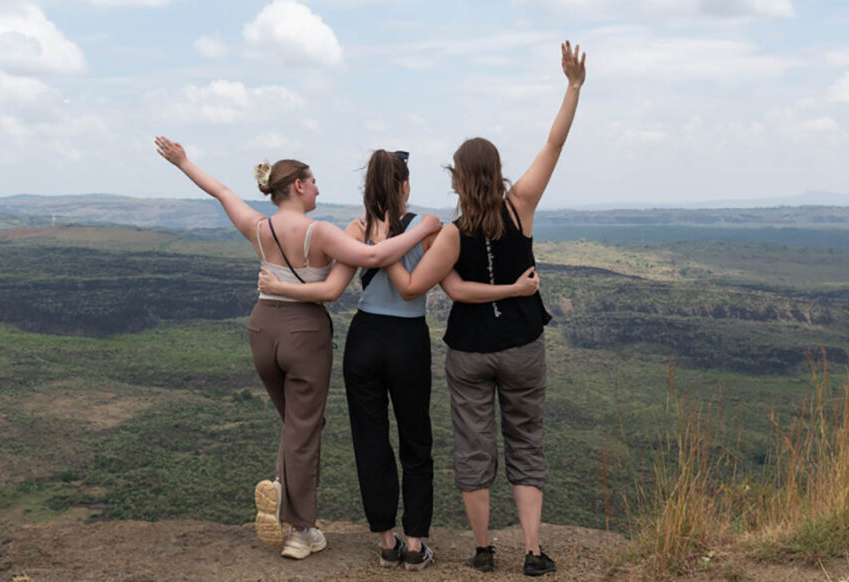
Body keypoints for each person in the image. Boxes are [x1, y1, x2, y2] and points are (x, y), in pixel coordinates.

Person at [155, 137, 442, 560]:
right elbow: (377, 255)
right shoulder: (320, 232)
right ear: (299, 187)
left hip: (261, 329)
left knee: (295, 424)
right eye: (314, 182)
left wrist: (182, 162)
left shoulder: (257, 227)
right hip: (303, 335)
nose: (319, 189)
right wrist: (423, 229)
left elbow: (220, 191)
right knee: (304, 428)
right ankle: (300, 528)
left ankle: (283, 489)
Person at [258, 149, 538, 571]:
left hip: (364, 339)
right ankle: (414, 543)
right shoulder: (427, 228)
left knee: (370, 441)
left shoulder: (356, 228)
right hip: (407, 339)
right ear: (404, 185)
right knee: (415, 441)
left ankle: (385, 540)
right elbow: (449, 285)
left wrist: (281, 289)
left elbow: (331, 288)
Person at [380, 40, 586, 576]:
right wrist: (573, 86)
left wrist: (383, 250)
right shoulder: (521, 207)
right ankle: (534, 553)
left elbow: (434, 291)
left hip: (470, 352)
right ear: (495, 171)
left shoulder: (449, 235)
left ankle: (483, 550)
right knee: (526, 442)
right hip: (522, 347)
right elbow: (553, 144)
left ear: (457, 177)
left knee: (474, 448)